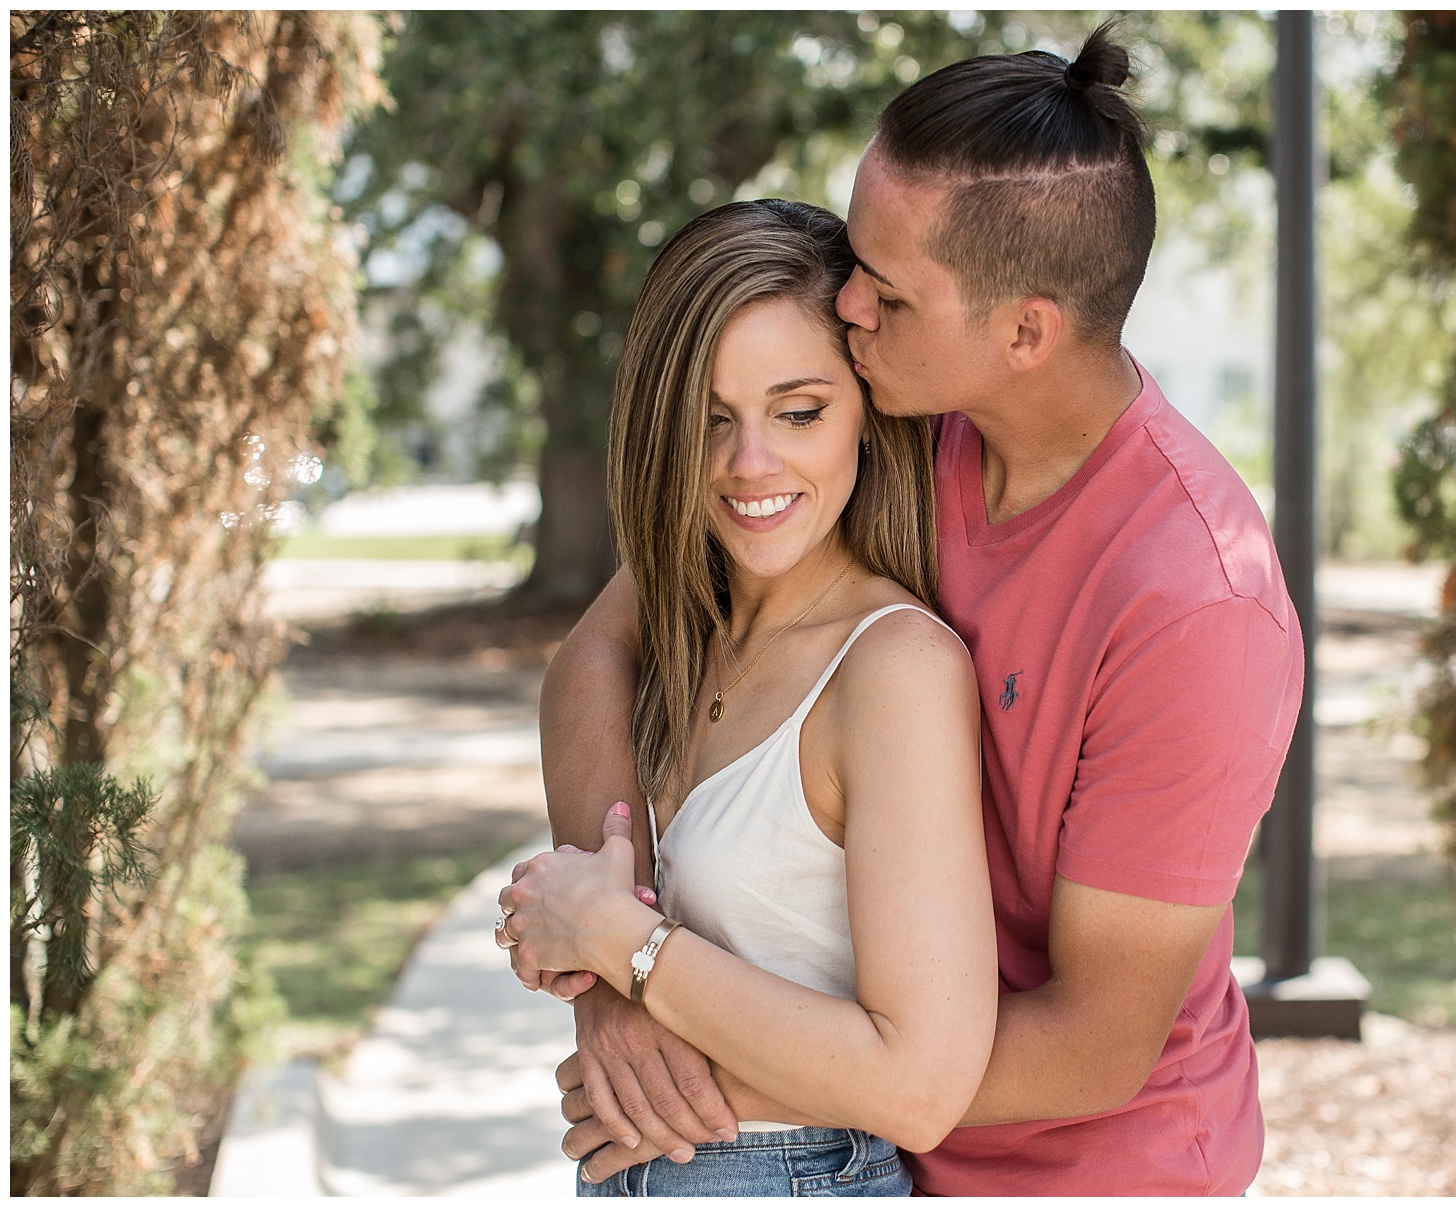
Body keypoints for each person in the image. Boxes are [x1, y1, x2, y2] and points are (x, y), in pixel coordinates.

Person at [537, 23, 1304, 1197]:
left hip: (1085, 1176)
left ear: (1025, 332)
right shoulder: (890, 415)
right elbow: (603, 643)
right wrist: (615, 982)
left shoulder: (1198, 604)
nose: (845, 303)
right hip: (879, 1147)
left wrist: (677, 1038)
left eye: (886, 291)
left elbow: (1097, 1043)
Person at [497, 198, 995, 1196]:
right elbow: (583, 663)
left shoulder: (892, 668)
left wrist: (622, 944)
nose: (749, 464)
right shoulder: (696, 611)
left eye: (798, 411)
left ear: (865, 407)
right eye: (710, 419)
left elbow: (920, 1084)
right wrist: (605, 984)